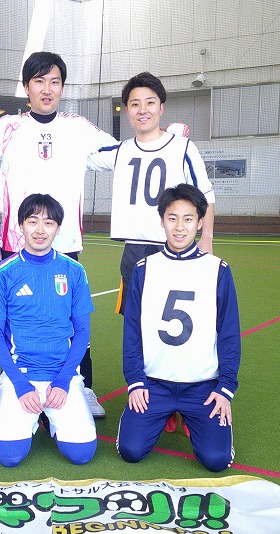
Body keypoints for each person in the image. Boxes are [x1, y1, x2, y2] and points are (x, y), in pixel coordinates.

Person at [0, 51, 118, 419]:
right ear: (26, 87)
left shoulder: (78, 128)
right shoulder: (7, 128)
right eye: (39, 81)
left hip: (65, 245)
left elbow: (117, 154)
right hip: (16, 246)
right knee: (17, 321)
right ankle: (16, 384)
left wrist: (159, 139)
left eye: (54, 82)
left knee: (70, 321)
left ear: (62, 87)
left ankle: (81, 387)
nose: (47, 89)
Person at [89, 72, 216, 435]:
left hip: (177, 251)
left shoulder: (183, 148)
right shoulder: (119, 152)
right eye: (134, 104)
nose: (142, 109)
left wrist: (206, 239)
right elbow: (80, 155)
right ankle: (156, 398)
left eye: (149, 102)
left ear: (161, 107)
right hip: (136, 253)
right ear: (126, 111)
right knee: (141, 329)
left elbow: (206, 196)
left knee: (185, 326)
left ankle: (189, 402)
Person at [117, 184, 240, 472]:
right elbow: (132, 330)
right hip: (154, 384)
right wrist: (135, 381)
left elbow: (229, 333)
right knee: (131, 451)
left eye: (188, 219)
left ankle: (193, 418)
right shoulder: (144, 268)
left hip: (202, 386)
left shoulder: (218, 270)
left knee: (216, 460)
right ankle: (163, 415)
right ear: (162, 221)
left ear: (200, 222)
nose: (180, 227)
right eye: (172, 218)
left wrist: (225, 387)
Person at [0, 194, 97, 467]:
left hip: (62, 376)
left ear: (58, 228)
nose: (40, 229)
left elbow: (82, 331)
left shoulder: (74, 270)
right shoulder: (2, 272)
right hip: (21, 376)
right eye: (32, 221)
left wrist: (64, 380)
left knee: (81, 454)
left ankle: (49, 415)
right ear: (21, 225)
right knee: (9, 456)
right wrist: (21, 385)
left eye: (48, 222)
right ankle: (35, 414)